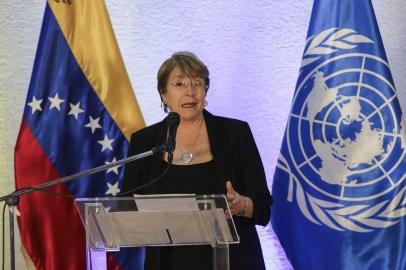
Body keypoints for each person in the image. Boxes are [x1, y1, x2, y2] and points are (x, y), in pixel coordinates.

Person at [122, 51, 272, 270]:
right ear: (164, 93)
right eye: (180, 84)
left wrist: (242, 205)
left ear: (205, 90)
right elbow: (128, 210)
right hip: (167, 263)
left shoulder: (235, 134)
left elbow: (263, 208)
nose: (190, 92)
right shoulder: (145, 142)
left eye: (197, 84)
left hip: (232, 261)